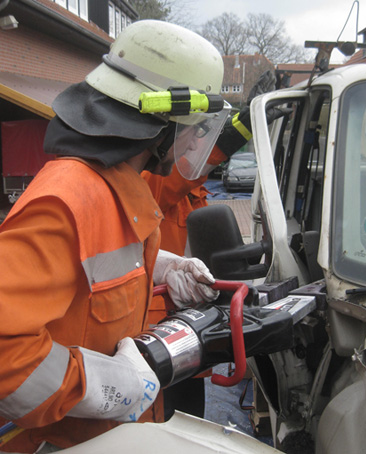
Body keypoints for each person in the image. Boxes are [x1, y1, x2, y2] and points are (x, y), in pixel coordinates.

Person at [0, 20, 229, 453]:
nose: (193, 143)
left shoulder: (118, 186)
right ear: (161, 123)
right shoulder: (67, 202)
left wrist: (163, 266)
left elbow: (90, 279)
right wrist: (109, 385)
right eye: (194, 128)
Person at [142, 70, 279, 419]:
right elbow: (189, 167)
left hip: (184, 333)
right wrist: (240, 128)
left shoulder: (190, 195)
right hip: (155, 340)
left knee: (189, 421)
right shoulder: (154, 182)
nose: (196, 144)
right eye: (196, 132)